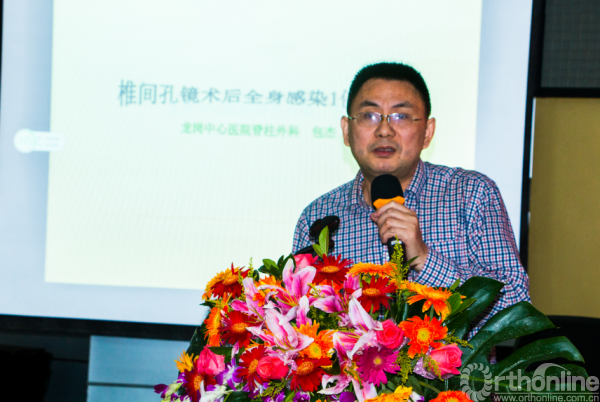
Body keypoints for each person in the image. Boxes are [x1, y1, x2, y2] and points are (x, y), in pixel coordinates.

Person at [292, 62, 530, 334]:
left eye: (401, 116)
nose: (384, 130)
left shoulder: (471, 194)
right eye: (369, 115)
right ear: (347, 130)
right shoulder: (317, 216)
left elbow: (517, 309)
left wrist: (424, 259)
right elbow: (300, 319)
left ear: (428, 132)